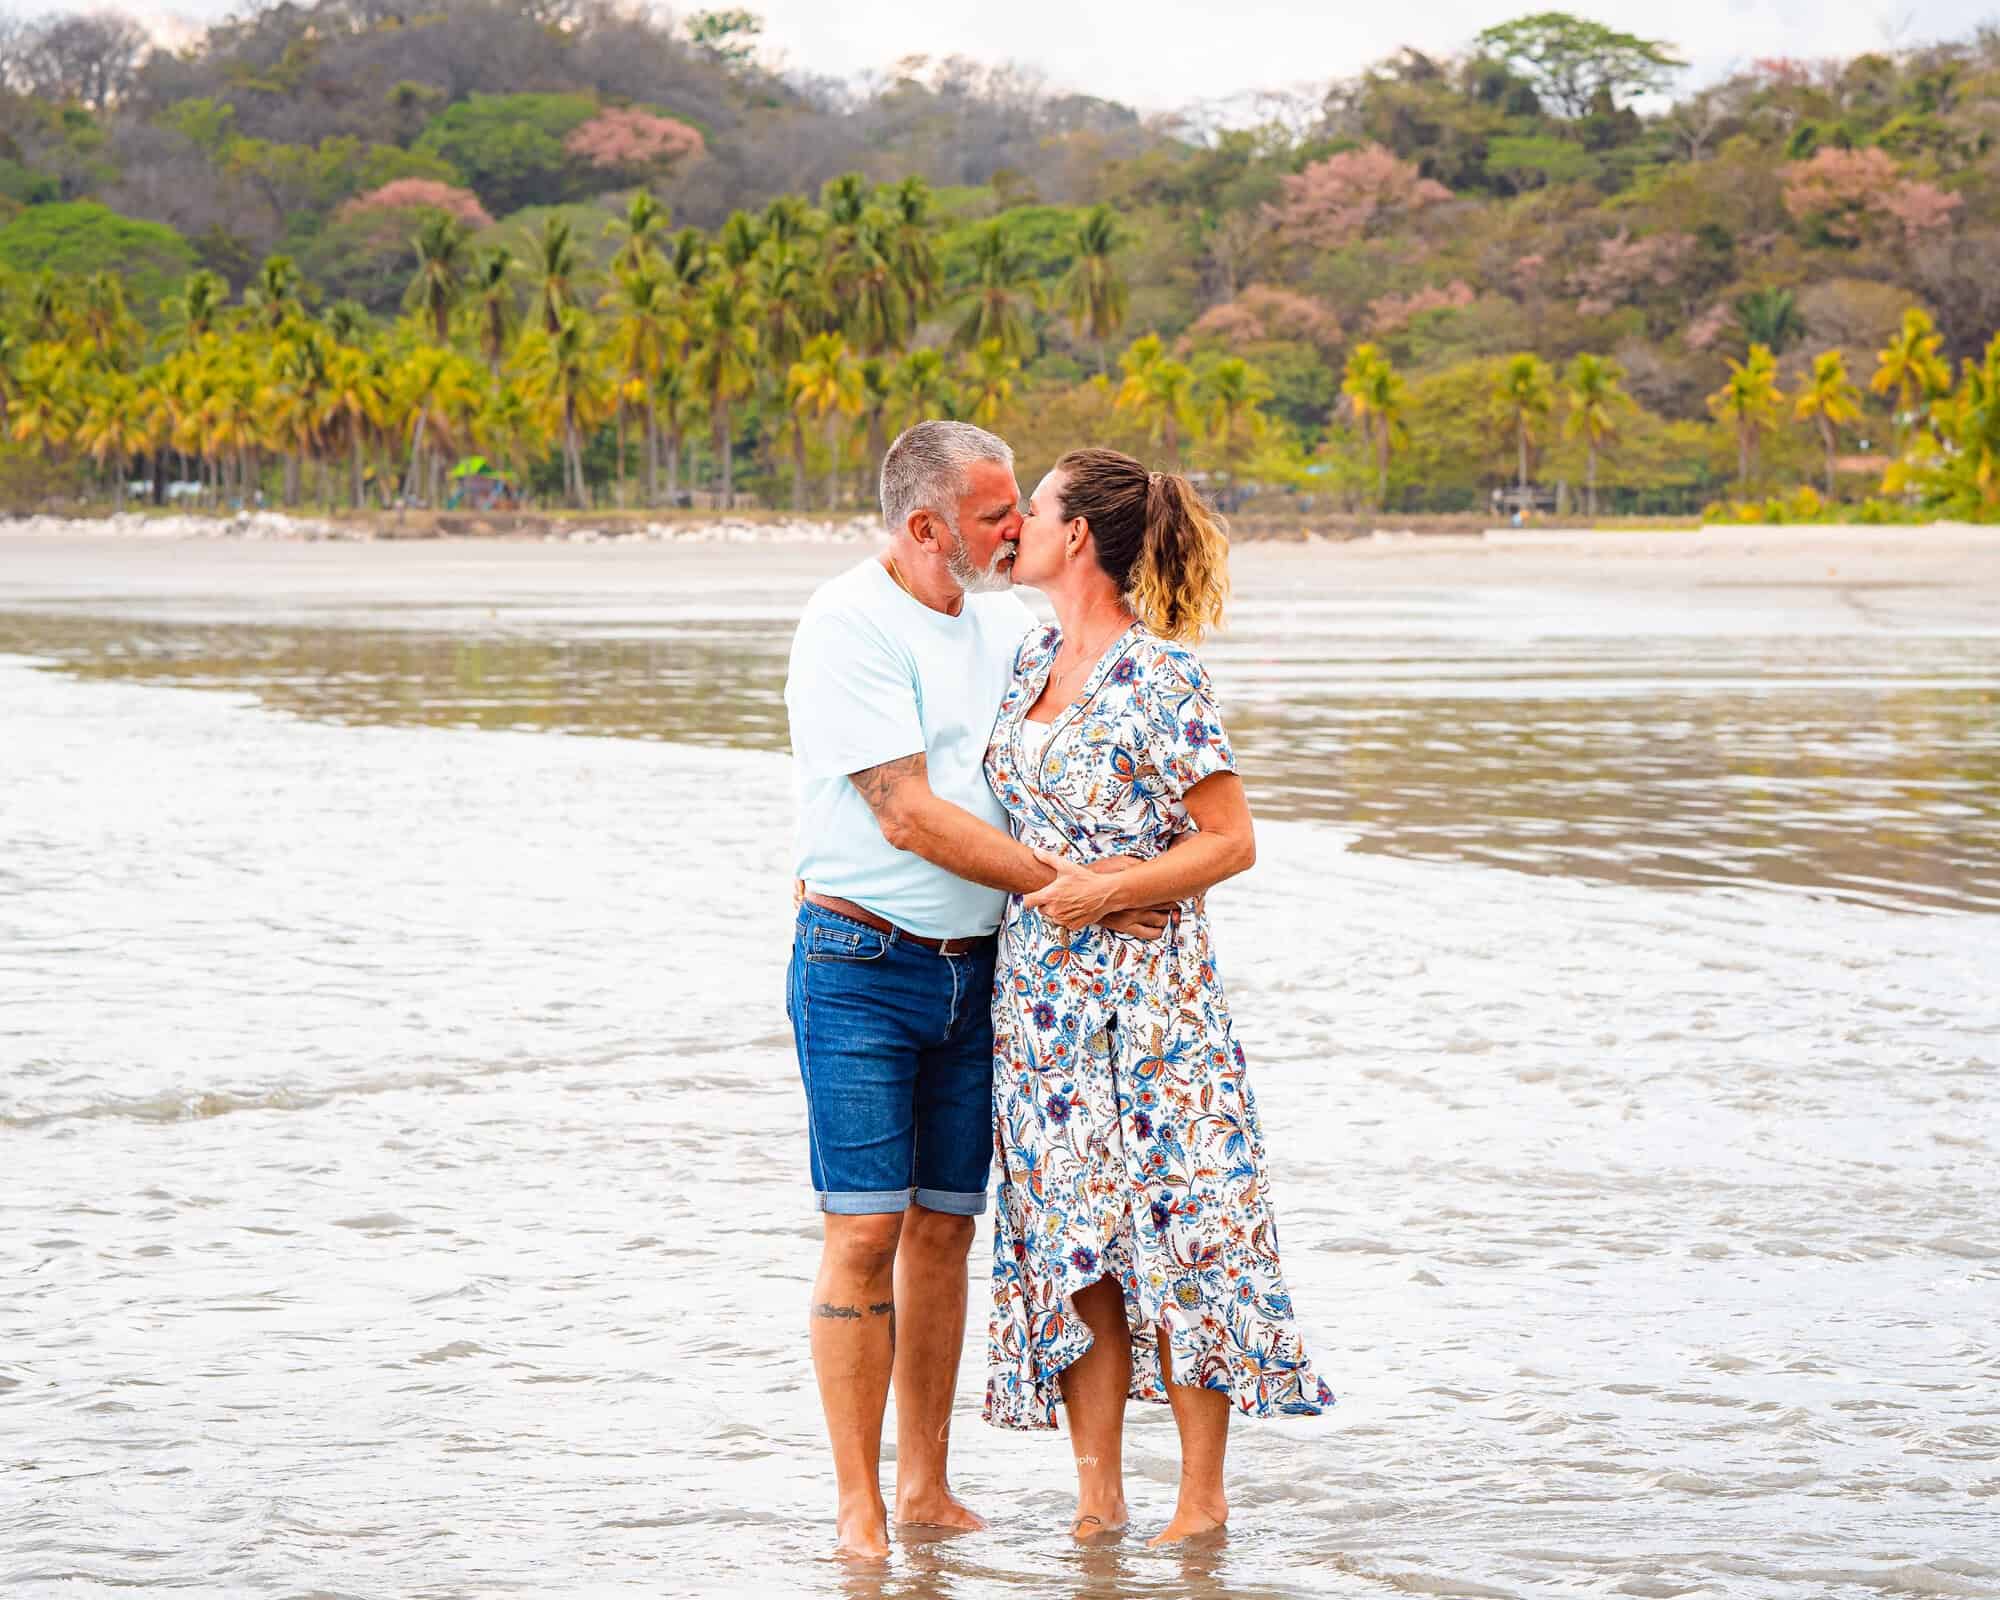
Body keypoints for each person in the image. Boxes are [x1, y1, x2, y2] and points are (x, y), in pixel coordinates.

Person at [782, 421, 1170, 1559]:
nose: (1015, 530)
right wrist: (1082, 887)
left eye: (1019, 511)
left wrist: (1145, 870)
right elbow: (901, 809)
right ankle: (858, 1506)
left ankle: (926, 1488)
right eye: (996, 514)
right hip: (860, 962)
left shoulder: (1005, 624)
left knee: (944, 1233)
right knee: (861, 1234)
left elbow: (1082, 722)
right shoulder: (846, 622)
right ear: (924, 526)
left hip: (982, 973)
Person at [980, 447, 1335, 1545]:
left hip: (1155, 1009)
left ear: (1075, 534)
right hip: (1038, 1005)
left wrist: (1115, 886)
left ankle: (1198, 1502)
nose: (1012, 529)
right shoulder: (1027, 660)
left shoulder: (1161, 675)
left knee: (1184, 1234)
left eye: (1029, 510)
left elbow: (1230, 841)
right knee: (1073, 1240)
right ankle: (1096, 1499)